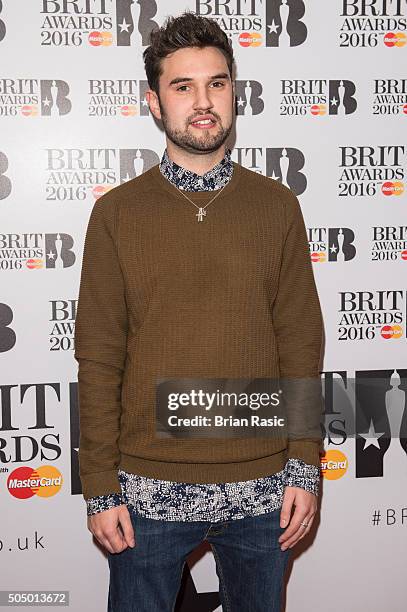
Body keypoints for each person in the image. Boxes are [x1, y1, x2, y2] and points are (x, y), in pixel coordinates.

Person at [74, 11, 325, 612]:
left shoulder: (276, 205)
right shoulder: (118, 214)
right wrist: (99, 486)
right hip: (146, 492)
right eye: (182, 87)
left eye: (216, 83)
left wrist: (305, 468)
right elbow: (100, 355)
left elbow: (299, 342)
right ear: (155, 103)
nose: (202, 101)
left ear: (234, 92)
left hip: (263, 487)